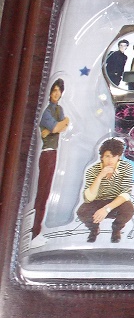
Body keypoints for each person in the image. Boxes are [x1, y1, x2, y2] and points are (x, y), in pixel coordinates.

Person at [76, 138, 134, 243]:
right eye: (107, 156)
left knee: (128, 209)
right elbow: (88, 198)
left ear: (119, 157)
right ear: (102, 157)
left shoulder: (126, 167)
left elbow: (125, 194)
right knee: (82, 212)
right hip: (97, 202)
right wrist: (100, 176)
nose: (110, 160)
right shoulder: (92, 170)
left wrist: (106, 209)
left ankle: (116, 229)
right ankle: (94, 229)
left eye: (114, 156)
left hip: (116, 202)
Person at [32, 78, 70, 241]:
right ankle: (34, 231)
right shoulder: (47, 111)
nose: (56, 93)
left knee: (46, 194)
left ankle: (37, 230)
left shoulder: (58, 109)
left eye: (58, 91)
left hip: (54, 153)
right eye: (54, 90)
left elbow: (62, 127)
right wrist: (61, 124)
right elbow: (58, 127)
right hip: (47, 154)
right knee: (41, 194)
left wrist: (60, 125)